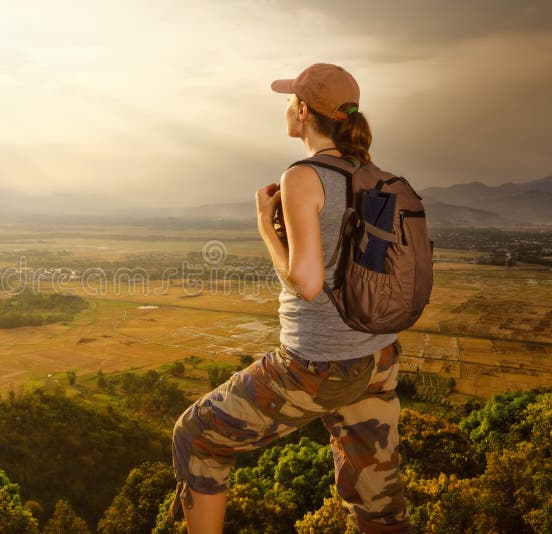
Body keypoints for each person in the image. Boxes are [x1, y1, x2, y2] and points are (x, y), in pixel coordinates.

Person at [170, 63, 410, 533]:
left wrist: (265, 227)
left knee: (196, 437)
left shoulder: (304, 175)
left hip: (319, 363)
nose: (286, 108)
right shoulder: (372, 175)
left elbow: (308, 282)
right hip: (378, 357)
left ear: (303, 112)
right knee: (378, 501)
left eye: (289, 101)